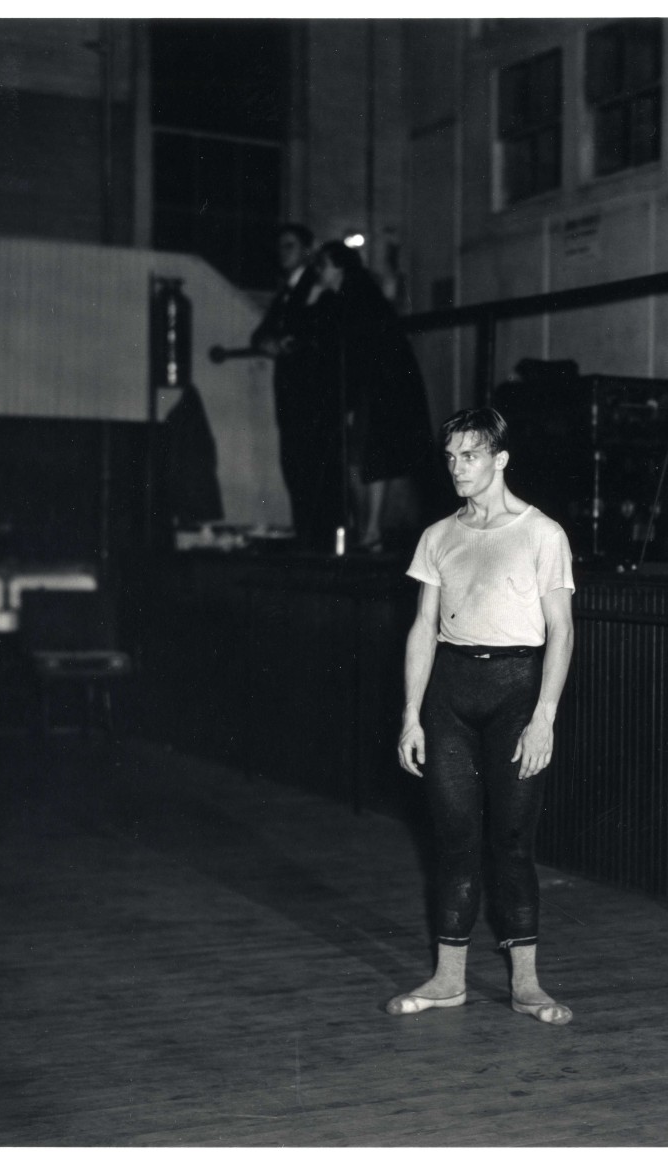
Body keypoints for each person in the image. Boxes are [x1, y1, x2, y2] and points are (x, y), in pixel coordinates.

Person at [391, 407, 576, 1025]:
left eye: (468, 456)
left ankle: (527, 984)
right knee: (453, 840)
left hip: (517, 692)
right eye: (449, 457)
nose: (456, 468)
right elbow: (422, 628)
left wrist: (544, 716)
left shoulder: (542, 533)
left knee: (513, 841)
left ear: (500, 460)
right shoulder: (439, 535)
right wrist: (411, 716)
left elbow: (561, 630)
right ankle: (449, 980)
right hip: (451, 692)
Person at [309, 241, 433, 552]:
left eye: (322, 265)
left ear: (337, 266)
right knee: (363, 459)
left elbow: (359, 352)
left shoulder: (357, 297)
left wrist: (350, 400)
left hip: (378, 388)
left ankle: (372, 531)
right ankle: (368, 529)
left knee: (372, 457)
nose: (318, 272)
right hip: (376, 388)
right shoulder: (353, 294)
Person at [250, 223, 336, 551]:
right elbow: (261, 333)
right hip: (289, 392)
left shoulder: (315, 287)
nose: (282, 253)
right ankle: (306, 534)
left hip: (311, 392)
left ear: (306, 250)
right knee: (294, 462)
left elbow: (317, 330)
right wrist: (268, 340)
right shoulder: (286, 292)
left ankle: (318, 538)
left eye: (290, 246)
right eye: (280, 246)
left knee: (312, 463)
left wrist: (289, 342)